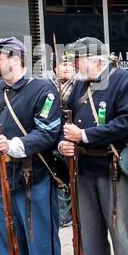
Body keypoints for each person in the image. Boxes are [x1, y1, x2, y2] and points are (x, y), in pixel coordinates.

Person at [57, 37, 128, 255]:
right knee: (91, 236)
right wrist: (65, 144)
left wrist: (86, 136)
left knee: (121, 235)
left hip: (112, 165)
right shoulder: (80, 85)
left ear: (95, 59)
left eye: (78, 59)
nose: (74, 64)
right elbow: (65, 121)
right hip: (85, 165)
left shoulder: (123, 81)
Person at [0, 36, 63, 255]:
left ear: (15, 60)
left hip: (34, 176)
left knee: (38, 240)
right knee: (9, 240)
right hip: (1, 176)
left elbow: (48, 132)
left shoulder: (43, 90)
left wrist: (12, 146)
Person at [52, 47, 76, 229]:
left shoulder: (79, 87)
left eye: (69, 65)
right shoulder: (48, 87)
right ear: (55, 68)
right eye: (63, 65)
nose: (67, 68)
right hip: (53, 137)